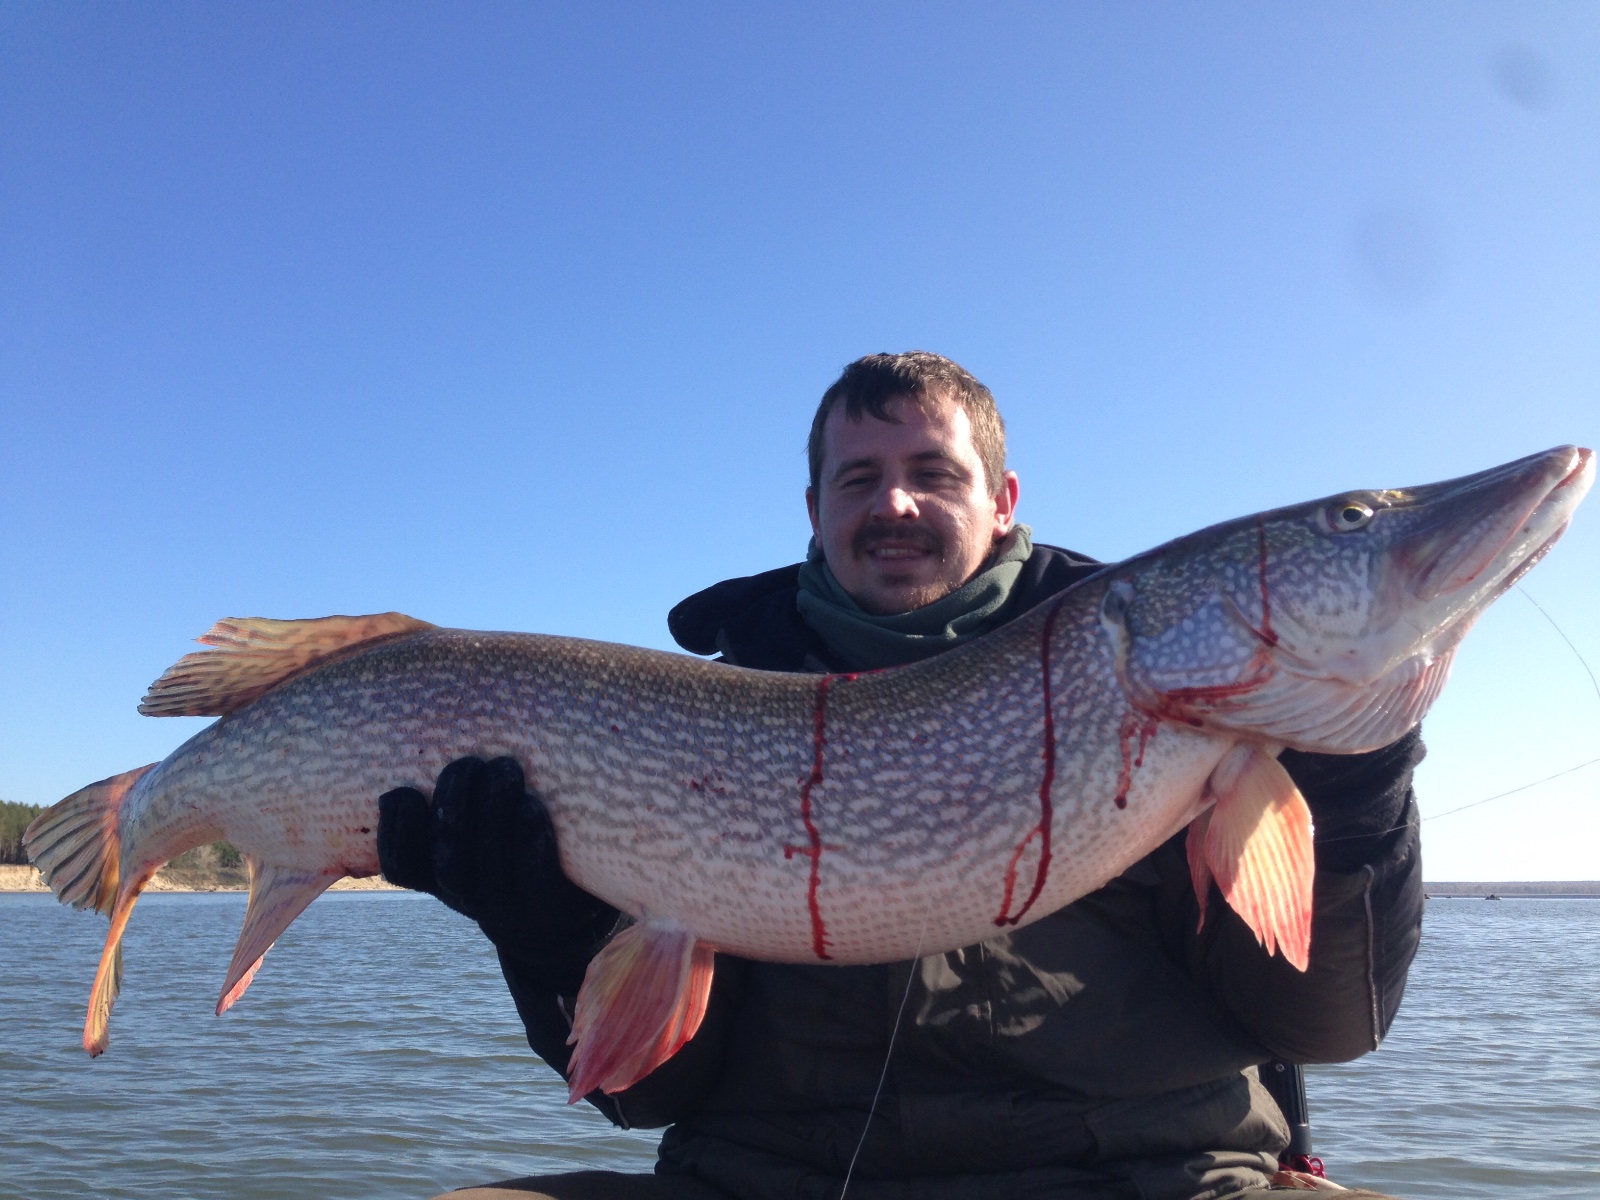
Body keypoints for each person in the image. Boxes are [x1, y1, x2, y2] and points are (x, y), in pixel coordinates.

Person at [379, 352, 1425, 1200]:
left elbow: (1320, 1027)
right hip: (768, 1182)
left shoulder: (1157, 687)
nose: (896, 504)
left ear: (1003, 500)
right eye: (858, 478)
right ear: (814, 507)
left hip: (1154, 1175)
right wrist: (552, 937)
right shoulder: (707, 718)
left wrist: (1354, 786)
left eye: (933, 473)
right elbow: (647, 1097)